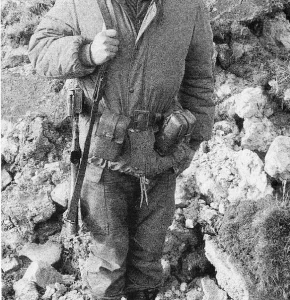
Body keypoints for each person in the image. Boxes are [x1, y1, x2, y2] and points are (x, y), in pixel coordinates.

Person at [28, 0, 215, 299]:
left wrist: (191, 145)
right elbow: (38, 51)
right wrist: (87, 53)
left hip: (161, 153)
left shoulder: (189, 6)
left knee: (148, 260)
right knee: (108, 262)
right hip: (103, 158)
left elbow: (200, 79)